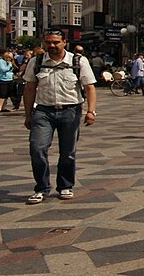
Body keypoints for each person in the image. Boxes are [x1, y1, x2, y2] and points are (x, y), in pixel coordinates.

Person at [22, 31, 97, 204]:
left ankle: (65, 185)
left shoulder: (78, 61)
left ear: (65, 42)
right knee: (37, 148)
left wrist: (91, 111)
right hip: (43, 111)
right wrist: (28, 115)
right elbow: (30, 89)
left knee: (68, 152)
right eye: (48, 42)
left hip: (70, 110)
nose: (52, 46)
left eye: (56, 42)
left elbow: (89, 87)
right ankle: (41, 188)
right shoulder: (37, 61)